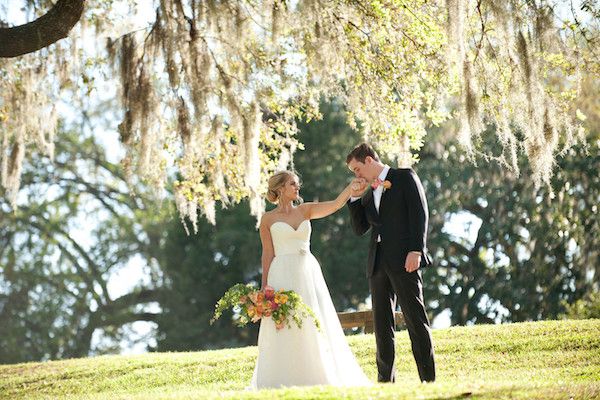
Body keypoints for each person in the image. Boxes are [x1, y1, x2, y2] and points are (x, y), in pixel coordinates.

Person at [249, 170, 371, 389]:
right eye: (292, 184)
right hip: (281, 272)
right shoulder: (267, 219)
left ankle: (316, 372)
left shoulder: (305, 210)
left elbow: (335, 204)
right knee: (285, 321)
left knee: (312, 317)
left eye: (297, 184)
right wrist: (265, 286)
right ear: (280, 188)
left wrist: (351, 188)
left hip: (307, 271)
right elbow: (267, 253)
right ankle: (282, 377)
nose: (297, 187)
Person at [346, 142, 436, 383]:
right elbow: (359, 229)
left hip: (405, 260)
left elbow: (420, 213)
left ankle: (428, 379)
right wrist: (354, 199)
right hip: (377, 264)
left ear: (369, 160)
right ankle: (385, 382)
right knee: (381, 326)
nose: (357, 175)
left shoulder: (404, 177)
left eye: (357, 169)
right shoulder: (368, 194)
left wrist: (416, 250)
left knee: (415, 319)